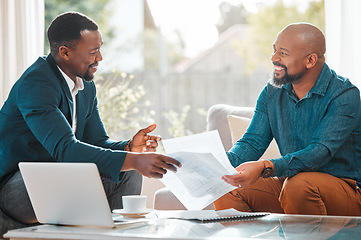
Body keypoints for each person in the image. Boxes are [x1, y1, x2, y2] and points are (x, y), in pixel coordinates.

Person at [0, 12, 181, 224]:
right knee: (72, 171)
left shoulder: (85, 85)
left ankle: (113, 233)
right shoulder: (37, 84)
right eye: (93, 52)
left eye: (100, 49)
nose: (100, 58)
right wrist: (135, 160)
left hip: (58, 176)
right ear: (65, 52)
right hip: (13, 186)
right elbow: (66, 150)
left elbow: (97, 142)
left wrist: (129, 148)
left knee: (130, 172)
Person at [215, 22, 361, 216]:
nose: (274, 58)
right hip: (290, 186)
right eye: (274, 50)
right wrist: (215, 164)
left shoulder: (344, 95)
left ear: (310, 60)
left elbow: (319, 152)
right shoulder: (271, 92)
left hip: (345, 192)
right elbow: (252, 142)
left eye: (283, 53)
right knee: (223, 183)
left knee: (299, 186)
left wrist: (266, 166)